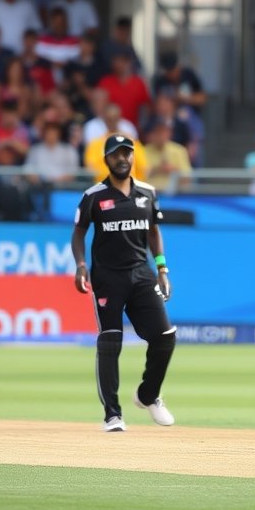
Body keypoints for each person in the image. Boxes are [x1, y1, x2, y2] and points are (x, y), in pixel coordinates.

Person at [71, 133, 176, 433]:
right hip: (107, 277)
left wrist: (162, 268)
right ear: (106, 160)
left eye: (127, 153)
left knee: (165, 336)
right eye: (116, 154)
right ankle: (112, 414)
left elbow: (153, 231)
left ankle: (148, 395)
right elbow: (78, 233)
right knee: (110, 341)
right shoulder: (93, 196)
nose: (123, 158)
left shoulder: (147, 192)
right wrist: (81, 265)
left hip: (142, 275)